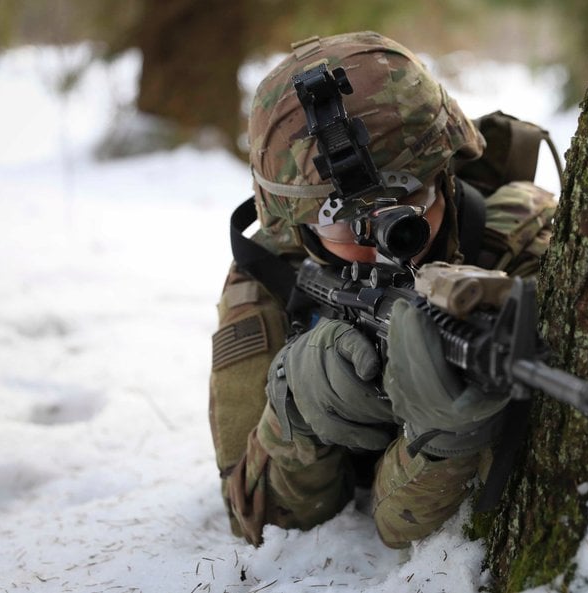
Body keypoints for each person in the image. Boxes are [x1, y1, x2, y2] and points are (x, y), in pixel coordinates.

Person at [209, 31, 558, 548]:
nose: (384, 248)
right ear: (298, 225)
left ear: (445, 173)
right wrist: (295, 414)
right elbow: (255, 518)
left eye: (407, 208)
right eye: (347, 228)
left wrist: (443, 440)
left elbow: (428, 535)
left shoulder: (525, 243)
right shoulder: (269, 278)